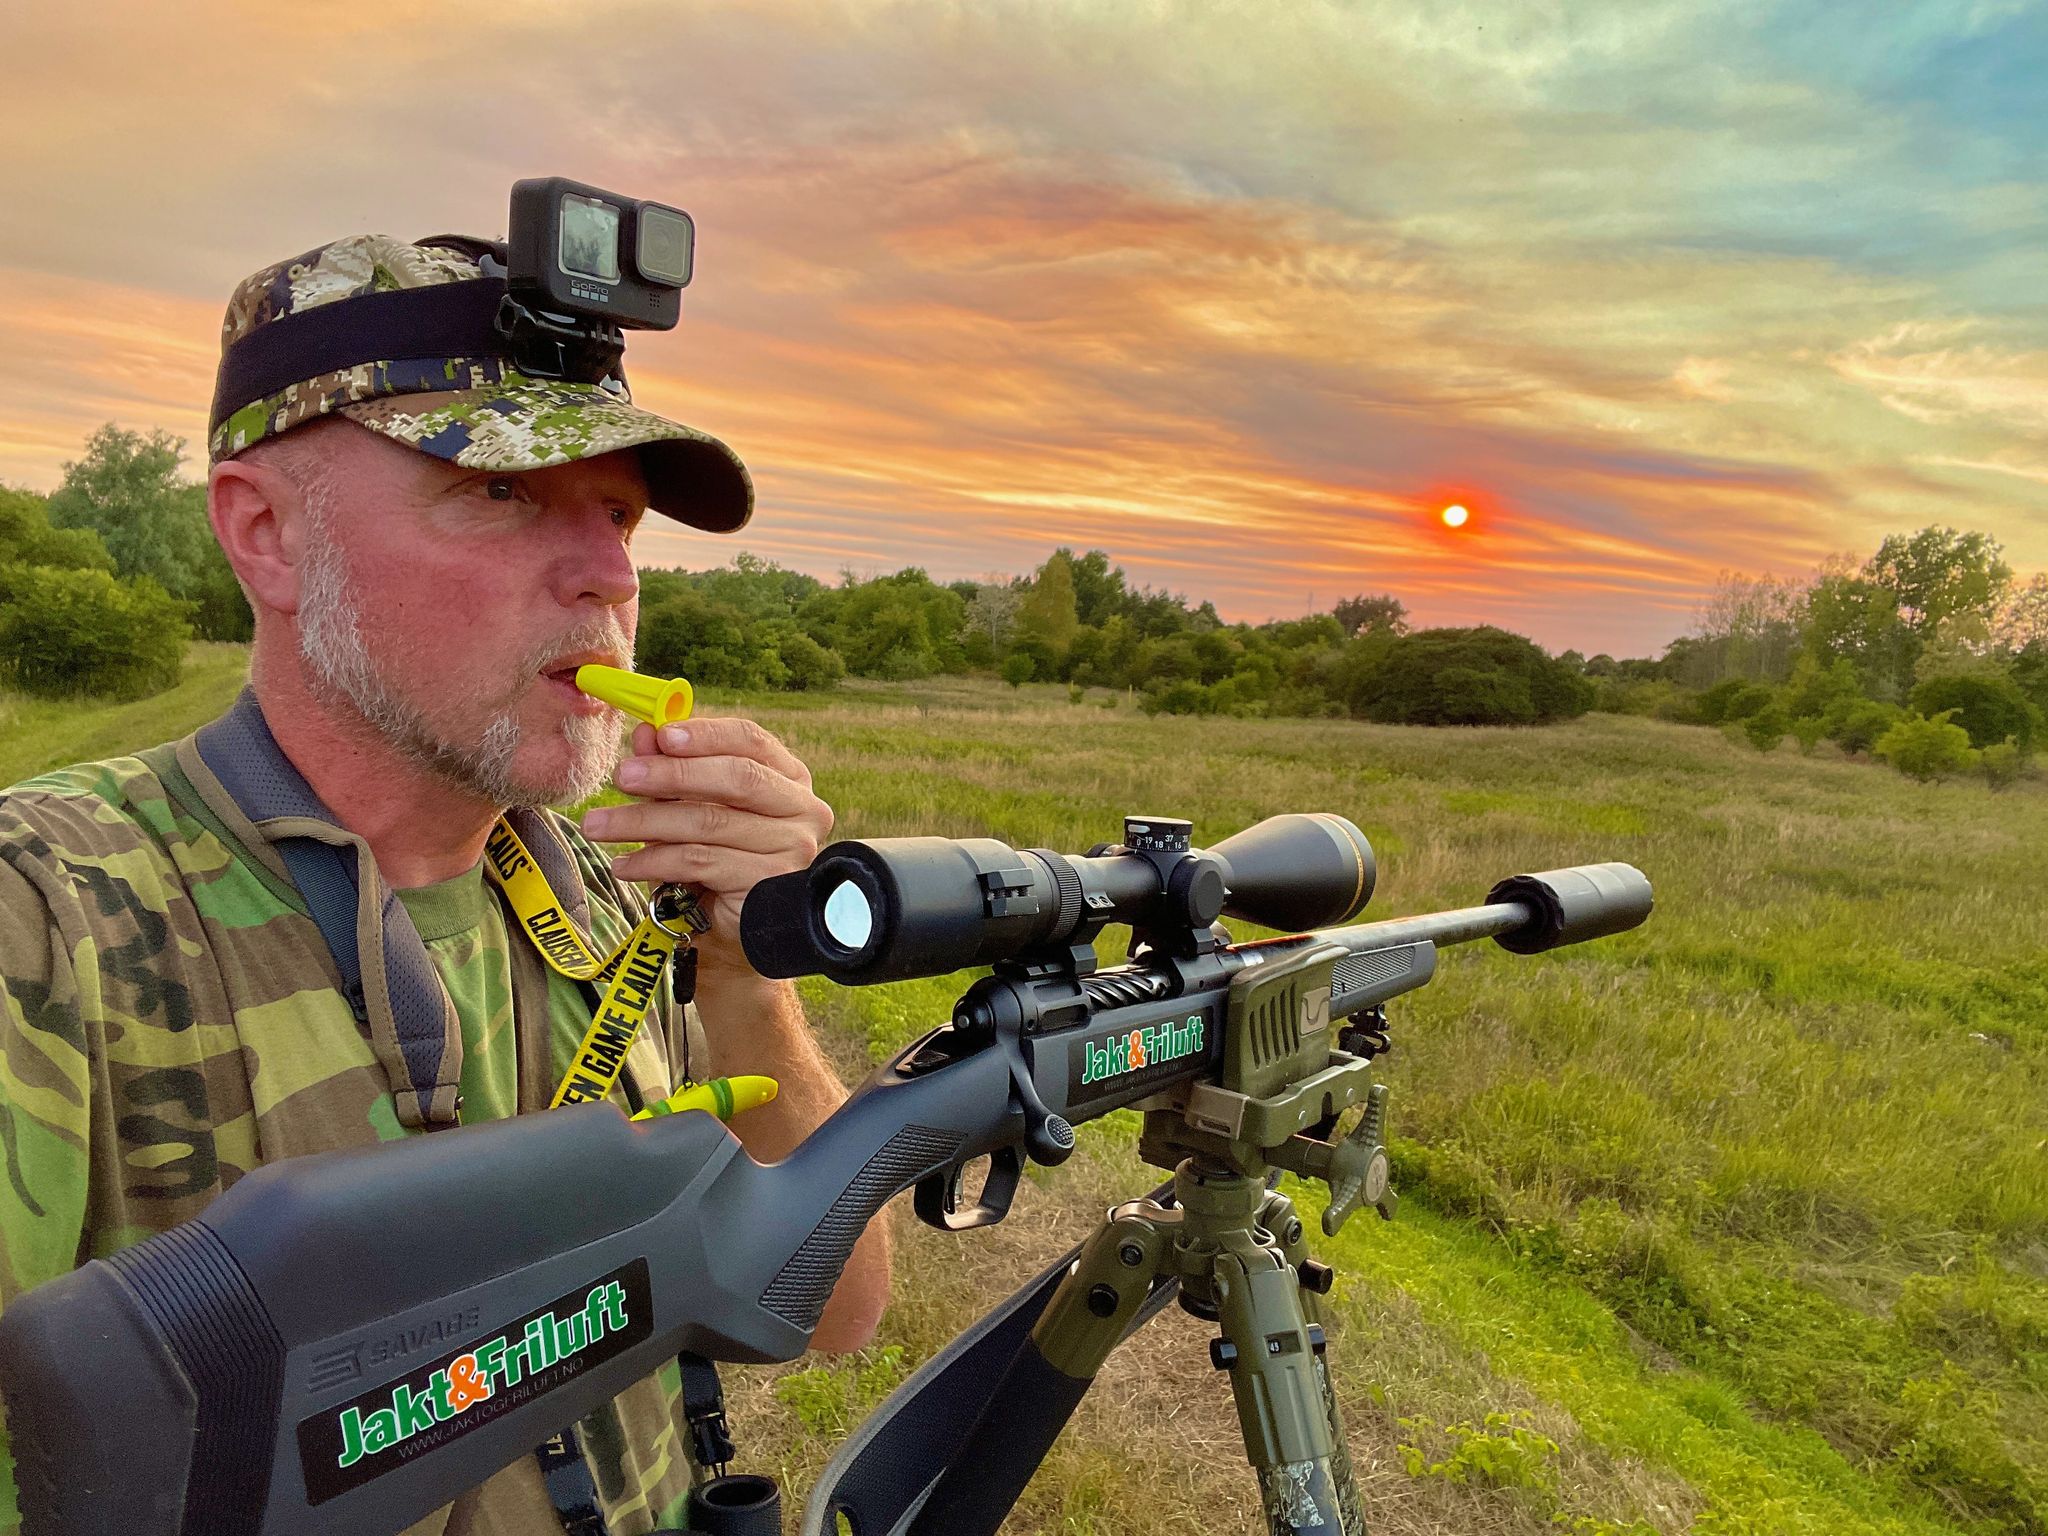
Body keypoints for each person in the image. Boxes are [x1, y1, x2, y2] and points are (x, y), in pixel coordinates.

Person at [0, 233, 890, 1535]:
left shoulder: (609, 901)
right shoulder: (49, 917)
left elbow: (836, 1314)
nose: (611, 577)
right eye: (501, 494)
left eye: (619, 514)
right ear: (266, 537)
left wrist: (750, 982)